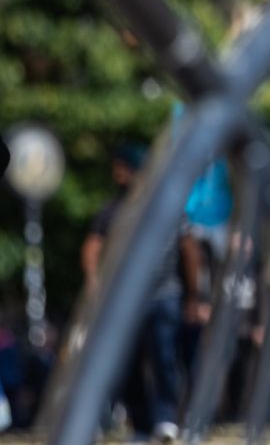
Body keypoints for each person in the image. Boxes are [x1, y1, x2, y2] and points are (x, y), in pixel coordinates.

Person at [80, 144, 203, 442]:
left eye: (125, 168)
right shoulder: (111, 211)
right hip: (125, 300)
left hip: (165, 294)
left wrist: (193, 294)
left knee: (164, 357)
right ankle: (141, 425)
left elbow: (189, 250)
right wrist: (94, 281)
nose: (119, 174)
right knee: (128, 362)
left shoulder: (168, 206)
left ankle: (166, 419)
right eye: (117, 168)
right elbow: (91, 247)